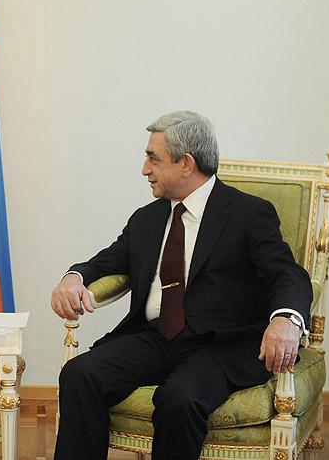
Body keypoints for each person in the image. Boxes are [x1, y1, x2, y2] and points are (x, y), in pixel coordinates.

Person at [51, 111, 312, 460]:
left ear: (186, 163)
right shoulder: (147, 218)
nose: (144, 169)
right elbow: (105, 262)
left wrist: (285, 319)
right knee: (79, 373)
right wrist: (74, 277)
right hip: (156, 337)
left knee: (178, 398)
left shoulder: (247, 213)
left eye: (153, 159)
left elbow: (287, 274)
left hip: (219, 346)